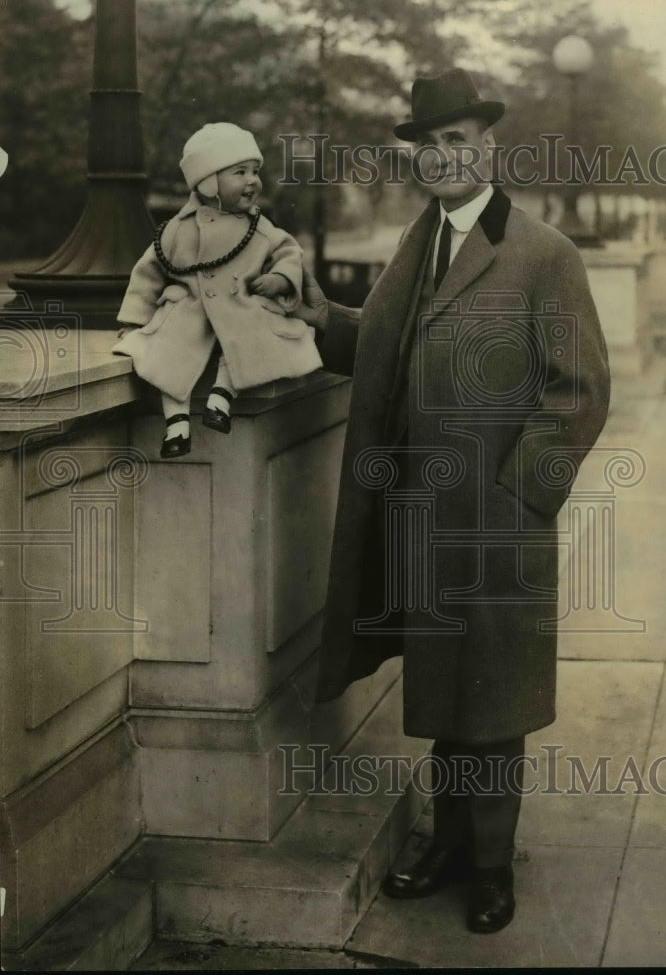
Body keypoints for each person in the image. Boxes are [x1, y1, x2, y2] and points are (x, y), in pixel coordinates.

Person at [295, 68, 611, 934]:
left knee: (495, 701)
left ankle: (492, 864)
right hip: (423, 520)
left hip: (499, 523)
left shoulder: (543, 253)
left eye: (456, 142)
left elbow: (578, 391)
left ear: (488, 147)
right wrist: (316, 313)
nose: (441, 158)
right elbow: (382, 347)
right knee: (444, 693)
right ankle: (448, 843)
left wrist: (518, 502)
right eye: (427, 146)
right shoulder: (418, 243)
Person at [113, 122, 322, 459]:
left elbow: (288, 253)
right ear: (209, 182)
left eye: (255, 171)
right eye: (240, 172)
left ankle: (220, 399)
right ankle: (177, 426)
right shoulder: (175, 231)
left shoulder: (258, 226)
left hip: (239, 308)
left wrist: (280, 280)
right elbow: (147, 275)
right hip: (187, 313)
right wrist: (134, 321)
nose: (253, 180)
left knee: (242, 343)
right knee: (166, 359)